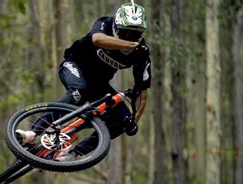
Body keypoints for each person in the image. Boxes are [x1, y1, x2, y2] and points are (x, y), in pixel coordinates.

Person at [17, 1, 151, 160]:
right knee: (79, 91)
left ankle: (73, 154)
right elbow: (97, 40)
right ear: (116, 26)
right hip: (74, 66)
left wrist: (134, 121)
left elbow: (142, 93)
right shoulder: (105, 23)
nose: (129, 37)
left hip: (99, 84)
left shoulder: (140, 53)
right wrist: (132, 44)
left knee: (122, 120)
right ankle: (33, 133)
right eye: (125, 32)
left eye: (135, 34)